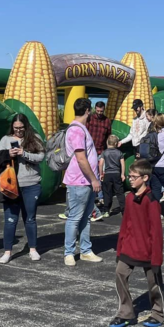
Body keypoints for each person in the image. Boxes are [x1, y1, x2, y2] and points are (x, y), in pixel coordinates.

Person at [111, 159, 164, 327]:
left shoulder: (151, 201)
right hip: (129, 247)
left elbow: (156, 232)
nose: (130, 179)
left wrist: (156, 257)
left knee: (154, 283)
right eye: (129, 176)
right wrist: (120, 248)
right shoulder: (129, 198)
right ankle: (125, 313)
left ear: (145, 178)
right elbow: (125, 224)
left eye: (134, 176)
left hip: (148, 251)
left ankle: (158, 313)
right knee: (120, 274)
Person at [0, 115, 44, 263]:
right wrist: (7, 154)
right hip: (11, 186)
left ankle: (33, 249)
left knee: (30, 218)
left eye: (21, 128)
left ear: (26, 126)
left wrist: (25, 154)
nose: (18, 131)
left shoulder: (34, 137)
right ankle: (7, 252)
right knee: (10, 219)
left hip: (31, 184)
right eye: (16, 128)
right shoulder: (5, 139)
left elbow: (41, 156)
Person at [63, 98, 103, 266]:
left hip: (85, 181)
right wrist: (94, 179)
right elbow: (81, 158)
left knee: (85, 217)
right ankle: (69, 252)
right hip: (80, 181)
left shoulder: (80, 129)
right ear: (88, 110)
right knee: (75, 217)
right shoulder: (77, 130)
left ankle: (85, 250)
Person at [87, 101, 111, 223]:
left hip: (101, 150)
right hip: (90, 150)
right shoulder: (90, 118)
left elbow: (108, 136)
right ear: (95, 109)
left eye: (101, 111)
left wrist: (107, 151)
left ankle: (100, 196)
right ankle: (94, 196)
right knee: (91, 173)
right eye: (98, 111)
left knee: (100, 174)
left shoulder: (107, 121)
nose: (99, 113)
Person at [98, 135, 125, 215]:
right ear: (116, 143)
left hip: (107, 174)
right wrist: (122, 174)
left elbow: (101, 164)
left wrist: (101, 174)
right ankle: (124, 209)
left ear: (107, 142)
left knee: (107, 192)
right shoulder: (119, 152)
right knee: (119, 192)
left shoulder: (105, 152)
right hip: (116, 173)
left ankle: (106, 210)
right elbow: (122, 164)